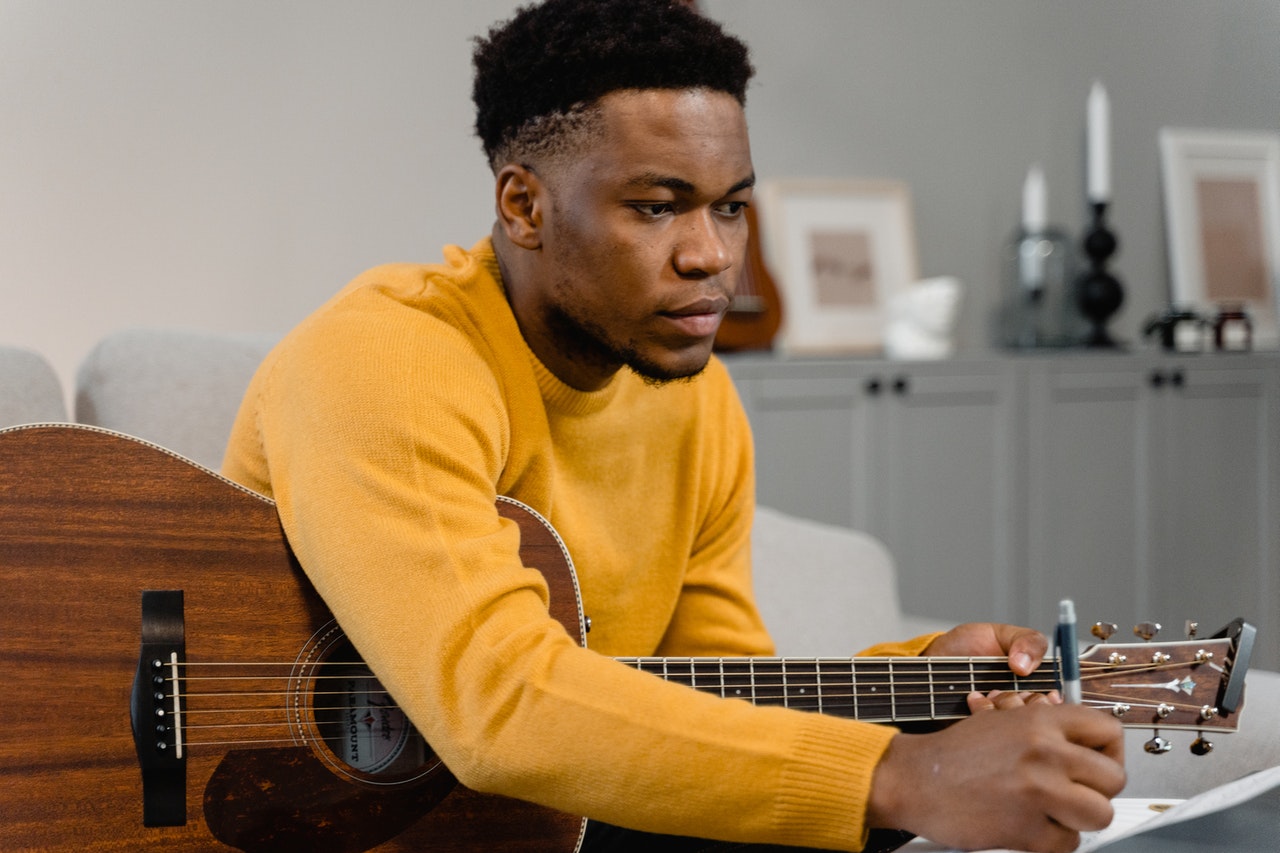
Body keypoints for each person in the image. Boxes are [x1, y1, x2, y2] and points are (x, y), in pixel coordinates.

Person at [222, 1, 1125, 850]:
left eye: (729, 205)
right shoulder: (388, 359)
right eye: (657, 208)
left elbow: (719, 705)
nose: (713, 256)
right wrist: (902, 774)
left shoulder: (697, 400)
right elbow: (496, 704)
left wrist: (922, 684)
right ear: (524, 207)